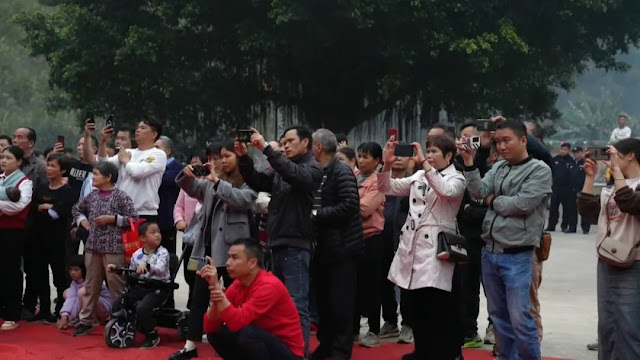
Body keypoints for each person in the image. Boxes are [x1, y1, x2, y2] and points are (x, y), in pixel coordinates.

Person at [460, 120, 552, 360]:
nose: (501, 146)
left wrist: (493, 201)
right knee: (499, 317)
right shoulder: (499, 167)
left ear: (523, 140)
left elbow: (521, 204)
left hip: (518, 253)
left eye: (506, 140)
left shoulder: (539, 170)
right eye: (497, 141)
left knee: (521, 318)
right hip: (490, 252)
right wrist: (469, 163)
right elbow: (478, 191)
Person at [236, 126, 323, 356]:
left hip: (296, 246)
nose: (284, 146)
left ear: (306, 143)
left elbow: (294, 175)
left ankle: (298, 355)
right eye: (282, 142)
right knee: (276, 307)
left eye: (289, 141)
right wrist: (243, 157)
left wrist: (267, 148)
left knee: (297, 307)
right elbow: (256, 180)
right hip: (275, 245)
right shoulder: (280, 170)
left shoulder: (312, 168)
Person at [377, 134, 465, 359]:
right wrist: (386, 164)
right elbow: (388, 187)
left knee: (436, 307)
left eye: (435, 152)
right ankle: (422, 351)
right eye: (428, 151)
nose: (430, 156)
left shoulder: (457, 178)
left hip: (437, 250)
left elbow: (445, 190)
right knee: (417, 307)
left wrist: (424, 164)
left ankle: (441, 353)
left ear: (449, 155)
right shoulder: (419, 175)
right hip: (412, 247)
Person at [170, 140, 257, 360]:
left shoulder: (248, 180)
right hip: (205, 248)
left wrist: (218, 182)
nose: (218, 161)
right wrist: (188, 173)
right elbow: (191, 188)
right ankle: (191, 345)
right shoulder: (209, 181)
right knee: (198, 298)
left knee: (234, 298)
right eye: (215, 158)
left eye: (224, 156)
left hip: (231, 250)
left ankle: (236, 344)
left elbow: (242, 200)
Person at [578, 139, 640, 359]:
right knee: (608, 323)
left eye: (616, 155)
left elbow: (631, 204)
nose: (611, 160)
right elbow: (587, 210)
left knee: (628, 325)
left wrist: (616, 172)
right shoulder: (613, 186)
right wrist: (589, 177)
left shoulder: (632, 184)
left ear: (631, 155)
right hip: (607, 258)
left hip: (633, 263)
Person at [309, 129, 364, 360]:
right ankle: (326, 345)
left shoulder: (341, 171)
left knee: (340, 302)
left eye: (310, 144)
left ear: (319, 147)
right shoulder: (316, 171)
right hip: (321, 247)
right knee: (323, 301)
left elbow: (349, 206)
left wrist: (315, 214)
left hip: (342, 247)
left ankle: (341, 350)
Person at [201, 238, 305, 360]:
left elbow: (237, 322)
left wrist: (219, 293)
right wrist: (215, 289)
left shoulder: (269, 286)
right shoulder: (238, 283)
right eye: (229, 257)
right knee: (217, 333)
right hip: (265, 341)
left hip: (289, 353)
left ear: (252, 263)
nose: (228, 263)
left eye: (235, 258)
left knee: (247, 333)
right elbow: (210, 327)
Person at [71, 161, 138, 336]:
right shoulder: (92, 196)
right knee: (91, 285)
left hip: (114, 247)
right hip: (93, 246)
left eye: (97, 174)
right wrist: (82, 221)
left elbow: (135, 220)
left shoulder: (120, 196)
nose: (93, 177)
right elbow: (76, 209)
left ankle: (120, 318)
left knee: (117, 286)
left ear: (109, 177)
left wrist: (113, 219)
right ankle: (86, 320)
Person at [108, 221, 170, 349]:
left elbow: (160, 269)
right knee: (119, 302)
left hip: (158, 287)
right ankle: (126, 324)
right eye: (153, 233)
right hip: (142, 286)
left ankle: (152, 335)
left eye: (158, 232)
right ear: (142, 238)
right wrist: (118, 270)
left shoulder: (163, 253)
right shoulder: (136, 255)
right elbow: (131, 273)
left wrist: (147, 266)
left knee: (143, 308)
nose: (158, 235)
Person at [30, 153, 75, 322]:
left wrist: (47, 208)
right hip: (38, 237)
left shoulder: (67, 191)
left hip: (58, 239)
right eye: (48, 165)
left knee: (59, 275)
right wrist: (43, 207)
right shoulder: (41, 187)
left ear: (63, 170)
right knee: (39, 274)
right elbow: (33, 207)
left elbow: (58, 213)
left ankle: (61, 310)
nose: (49, 169)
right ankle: (43, 310)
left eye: (53, 166)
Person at [97, 116, 167, 222]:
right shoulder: (129, 152)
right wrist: (102, 142)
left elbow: (137, 173)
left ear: (154, 134)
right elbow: (103, 165)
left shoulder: (158, 154)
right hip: (120, 212)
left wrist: (125, 161)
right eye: (138, 127)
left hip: (143, 213)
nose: (138, 130)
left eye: (143, 128)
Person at [353, 142, 386, 348]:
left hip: (372, 238)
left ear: (377, 160)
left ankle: (373, 330)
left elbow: (365, 209)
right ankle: (353, 329)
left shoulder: (382, 181)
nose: (361, 160)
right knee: (353, 285)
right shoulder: (353, 176)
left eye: (366, 157)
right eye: (359, 156)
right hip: (353, 237)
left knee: (372, 287)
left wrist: (346, 203)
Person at [378, 155, 413, 344]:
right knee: (384, 280)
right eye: (395, 156)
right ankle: (390, 321)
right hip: (381, 237)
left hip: (405, 239)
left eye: (403, 156)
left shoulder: (413, 182)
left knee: (406, 283)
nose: (399, 159)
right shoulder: (383, 181)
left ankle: (408, 323)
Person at [0, 146, 33, 330]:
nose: (3, 161)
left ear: (19, 161)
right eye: (2, 157)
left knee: (10, 272)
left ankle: (12, 314)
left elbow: (18, 207)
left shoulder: (25, 182)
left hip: (12, 232)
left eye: (8, 157)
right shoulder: (0, 179)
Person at [57, 255, 112, 330]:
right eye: (71, 270)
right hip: (89, 305)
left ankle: (92, 319)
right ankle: (79, 317)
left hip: (104, 308)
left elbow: (88, 297)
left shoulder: (91, 280)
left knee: (82, 293)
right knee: (67, 292)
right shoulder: (74, 283)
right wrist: (65, 316)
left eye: (76, 270)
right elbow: (71, 299)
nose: (73, 273)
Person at [155, 135, 185, 255]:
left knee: (167, 255)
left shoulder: (177, 168)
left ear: (167, 151)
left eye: (157, 148)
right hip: (152, 217)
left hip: (167, 218)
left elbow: (165, 181)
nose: (153, 151)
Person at [547, 143, 578, 233]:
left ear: (568, 150)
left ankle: (564, 226)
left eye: (565, 149)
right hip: (555, 188)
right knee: (553, 208)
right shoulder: (555, 159)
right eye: (562, 149)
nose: (563, 151)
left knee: (566, 209)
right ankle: (551, 225)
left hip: (567, 188)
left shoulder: (571, 161)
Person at [571, 147, 590, 234]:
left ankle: (585, 228)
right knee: (572, 209)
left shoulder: (585, 163)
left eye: (577, 152)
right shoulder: (572, 163)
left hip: (583, 189)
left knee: (584, 209)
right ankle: (572, 227)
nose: (575, 154)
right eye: (574, 152)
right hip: (572, 189)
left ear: (581, 153)